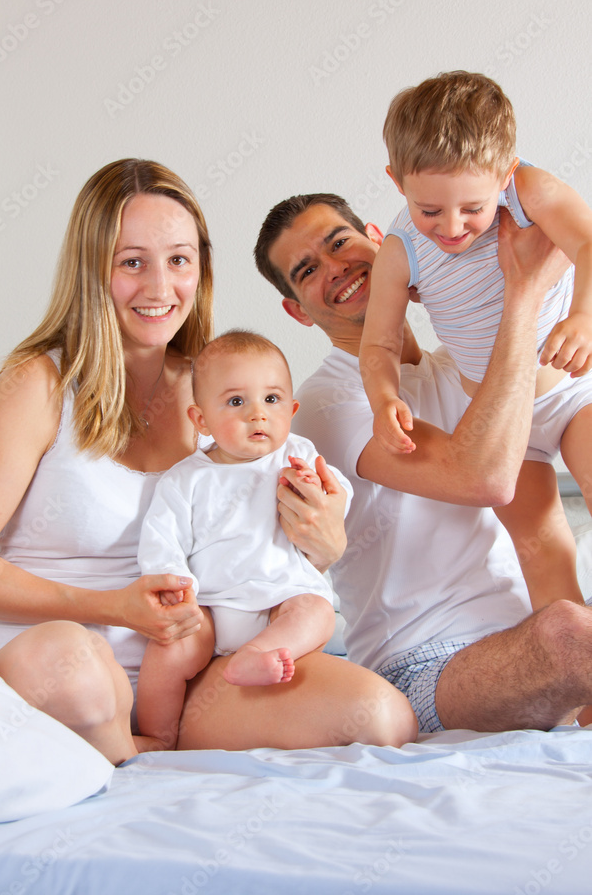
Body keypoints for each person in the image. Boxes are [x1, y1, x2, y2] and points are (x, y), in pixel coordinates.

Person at [0, 160, 417, 766]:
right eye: (132, 262)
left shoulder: (219, 397)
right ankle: (120, 760)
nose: (161, 288)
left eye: (179, 260)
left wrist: (324, 538)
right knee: (76, 664)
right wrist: (111, 608)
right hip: (51, 662)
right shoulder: (39, 385)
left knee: (381, 717)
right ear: (92, 267)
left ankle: (142, 750)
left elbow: (263, 540)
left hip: (185, 679)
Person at [255, 190, 592, 734]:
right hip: (419, 666)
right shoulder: (323, 404)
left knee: (565, 630)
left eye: (340, 243)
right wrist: (523, 293)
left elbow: (559, 406)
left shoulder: (460, 369)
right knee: (568, 634)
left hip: (527, 638)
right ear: (298, 310)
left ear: (377, 240)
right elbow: (483, 477)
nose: (337, 268)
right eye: (308, 270)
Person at [359, 71, 592, 611]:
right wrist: (384, 398)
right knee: (542, 550)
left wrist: (582, 315)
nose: (452, 227)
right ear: (398, 182)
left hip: (572, 393)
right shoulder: (401, 250)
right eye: (430, 210)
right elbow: (379, 344)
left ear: (504, 173)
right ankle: (582, 683)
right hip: (500, 420)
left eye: (472, 208)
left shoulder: (529, 188)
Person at [135, 330, 350, 749]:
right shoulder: (187, 478)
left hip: (281, 600)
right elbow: (162, 539)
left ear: (292, 408)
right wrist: (176, 588)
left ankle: (258, 655)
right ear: (200, 420)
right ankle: (157, 738)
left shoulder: (298, 456)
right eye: (237, 402)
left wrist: (316, 489)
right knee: (167, 652)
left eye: (272, 400)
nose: (258, 415)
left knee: (317, 611)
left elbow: (338, 498)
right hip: (212, 610)